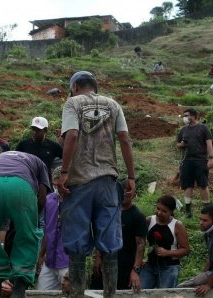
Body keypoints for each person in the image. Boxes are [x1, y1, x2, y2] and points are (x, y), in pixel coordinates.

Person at [57, 70, 136, 297]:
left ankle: (78, 294)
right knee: (110, 245)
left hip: (79, 183)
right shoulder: (113, 105)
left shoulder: (72, 103)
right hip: (107, 182)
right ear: (95, 86)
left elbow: (71, 135)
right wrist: (131, 177)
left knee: (77, 247)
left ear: (74, 87)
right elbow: (124, 139)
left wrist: (63, 171)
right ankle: (110, 294)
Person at [0, 151, 50, 298]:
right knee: (27, 238)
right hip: (21, 187)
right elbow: (42, 198)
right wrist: (31, 223)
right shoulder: (38, 161)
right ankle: (18, 292)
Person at [90, 180, 147, 292]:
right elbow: (101, 235)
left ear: (134, 195)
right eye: (122, 190)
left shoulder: (137, 216)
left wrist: (135, 270)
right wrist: (97, 257)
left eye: (128, 190)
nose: (125, 193)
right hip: (104, 262)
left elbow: (141, 244)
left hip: (125, 266)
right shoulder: (108, 212)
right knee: (96, 292)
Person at [178, 204, 213, 296]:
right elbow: (210, 257)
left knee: (181, 289)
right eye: (200, 219)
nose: (201, 222)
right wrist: (203, 275)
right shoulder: (208, 233)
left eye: (205, 220)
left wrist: (208, 285)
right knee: (188, 286)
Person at [139, 195, 190, 289]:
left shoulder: (177, 225)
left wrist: (168, 252)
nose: (159, 212)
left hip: (169, 267)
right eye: (158, 208)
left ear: (171, 211)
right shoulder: (149, 220)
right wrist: (139, 259)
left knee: (164, 294)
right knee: (141, 292)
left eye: (164, 211)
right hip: (149, 265)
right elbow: (139, 242)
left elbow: (186, 250)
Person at [176, 109, 213, 217]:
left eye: (186, 115)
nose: (184, 117)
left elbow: (209, 144)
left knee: (203, 185)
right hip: (186, 160)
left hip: (200, 160)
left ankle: (207, 211)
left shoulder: (203, 128)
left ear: (193, 116)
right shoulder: (183, 130)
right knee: (188, 185)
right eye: (183, 115)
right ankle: (188, 211)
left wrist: (210, 158)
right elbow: (177, 144)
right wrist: (182, 144)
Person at [36, 167, 69, 291]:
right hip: (49, 261)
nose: (58, 188)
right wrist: (41, 255)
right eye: (55, 184)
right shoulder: (49, 200)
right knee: (42, 292)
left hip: (67, 261)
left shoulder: (75, 200)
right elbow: (47, 231)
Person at [15, 117, 62, 182]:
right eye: (33, 129)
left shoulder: (53, 146)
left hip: (46, 182)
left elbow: (66, 159)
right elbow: (15, 162)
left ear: (45, 130)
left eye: (38, 130)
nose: (34, 132)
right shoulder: (23, 145)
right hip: (27, 181)